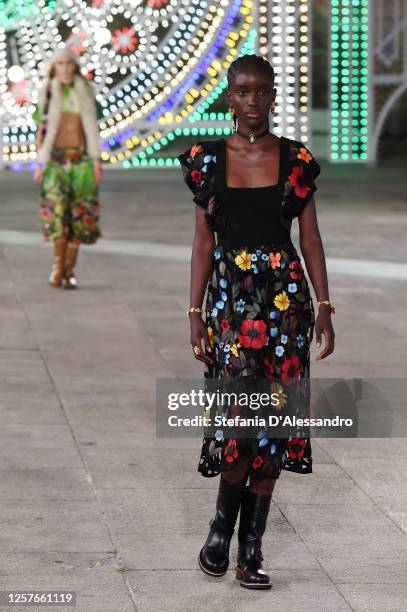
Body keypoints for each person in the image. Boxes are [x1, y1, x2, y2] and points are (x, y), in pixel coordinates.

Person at [178, 54, 335, 590]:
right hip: (230, 305)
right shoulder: (207, 161)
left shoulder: (295, 160)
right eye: (242, 93)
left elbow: (309, 238)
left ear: (273, 96)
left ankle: (252, 547)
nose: (252, 103)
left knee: (277, 425)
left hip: (287, 306)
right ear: (229, 96)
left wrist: (326, 308)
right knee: (241, 424)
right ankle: (222, 527)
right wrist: (195, 312)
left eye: (261, 92)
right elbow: (203, 241)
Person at [32, 45, 104, 289]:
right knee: (56, 213)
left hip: (81, 162)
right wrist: (40, 162)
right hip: (54, 161)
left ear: (75, 66)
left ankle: (69, 270)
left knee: (80, 216)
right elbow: (41, 129)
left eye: (68, 63)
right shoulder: (47, 93)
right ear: (54, 67)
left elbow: (93, 127)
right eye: (60, 64)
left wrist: (96, 161)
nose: (64, 68)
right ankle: (58, 266)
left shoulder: (86, 91)